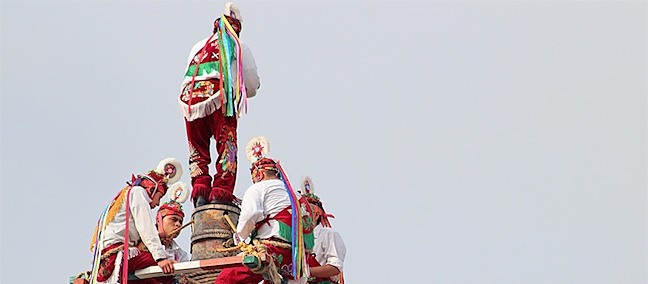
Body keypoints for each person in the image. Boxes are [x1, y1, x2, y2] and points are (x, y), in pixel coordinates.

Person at [179, 1, 261, 207]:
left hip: (190, 102)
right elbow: (252, 85)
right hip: (220, 99)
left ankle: (200, 190)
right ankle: (221, 192)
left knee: (197, 149)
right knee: (227, 147)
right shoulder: (240, 47)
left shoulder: (198, 45)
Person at [214, 137, 313, 284]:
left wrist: (238, 237)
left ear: (259, 174)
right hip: (297, 262)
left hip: (271, 251)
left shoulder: (259, 188)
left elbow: (250, 214)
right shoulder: (299, 197)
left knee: (227, 278)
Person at [85, 158, 185, 284]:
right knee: (168, 269)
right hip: (118, 253)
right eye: (159, 197)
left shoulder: (127, 193)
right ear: (152, 189)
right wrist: (161, 258)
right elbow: (145, 228)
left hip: (107, 255)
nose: (157, 203)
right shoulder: (138, 192)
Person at [300, 177, 347, 284]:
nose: (303, 216)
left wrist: (306, 272)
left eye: (306, 212)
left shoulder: (328, 234)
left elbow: (335, 267)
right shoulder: (293, 238)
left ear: (316, 215)